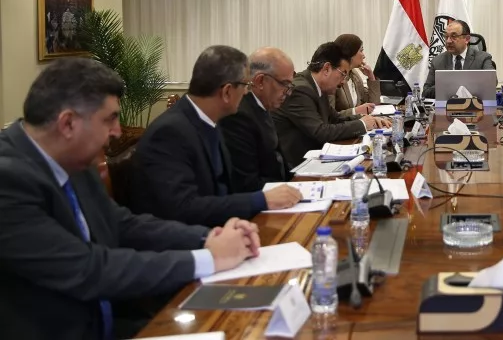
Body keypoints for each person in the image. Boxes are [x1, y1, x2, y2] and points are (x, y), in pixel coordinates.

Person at [0, 58, 259, 340]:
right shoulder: (8, 181)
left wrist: (209, 237)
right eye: (110, 119)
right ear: (68, 123)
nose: (118, 131)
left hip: (113, 322)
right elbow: (89, 270)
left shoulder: (71, 156)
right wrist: (209, 259)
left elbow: (121, 223)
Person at [131, 46, 302, 227]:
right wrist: (260, 200)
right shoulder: (169, 133)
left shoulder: (209, 121)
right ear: (227, 92)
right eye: (245, 86)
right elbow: (184, 208)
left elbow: (223, 189)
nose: (246, 92)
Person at [273, 42, 391, 168]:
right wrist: (362, 124)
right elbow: (320, 132)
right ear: (327, 69)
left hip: (316, 157)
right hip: (298, 165)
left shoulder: (317, 86)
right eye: (343, 74)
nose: (343, 81)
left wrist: (366, 119)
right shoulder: (301, 89)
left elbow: (335, 118)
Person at [219, 47, 295, 192]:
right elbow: (247, 183)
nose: (288, 92)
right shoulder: (238, 115)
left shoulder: (261, 104)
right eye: (285, 84)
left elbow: (276, 160)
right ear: (260, 81)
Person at [423, 19, 495, 99]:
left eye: (454, 36)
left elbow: (491, 82)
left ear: (467, 39)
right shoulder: (437, 61)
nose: (448, 41)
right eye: (446, 36)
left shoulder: (483, 58)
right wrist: (447, 87)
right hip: (447, 106)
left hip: (474, 105)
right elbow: (426, 92)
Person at [331, 33, 381, 117]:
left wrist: (371, 77)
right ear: (350, 53)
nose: (364, 56)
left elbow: (373, 104)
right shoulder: (333, 78)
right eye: (361, 51)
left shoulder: (354, 75)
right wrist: (355, 111)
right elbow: (329, 116)